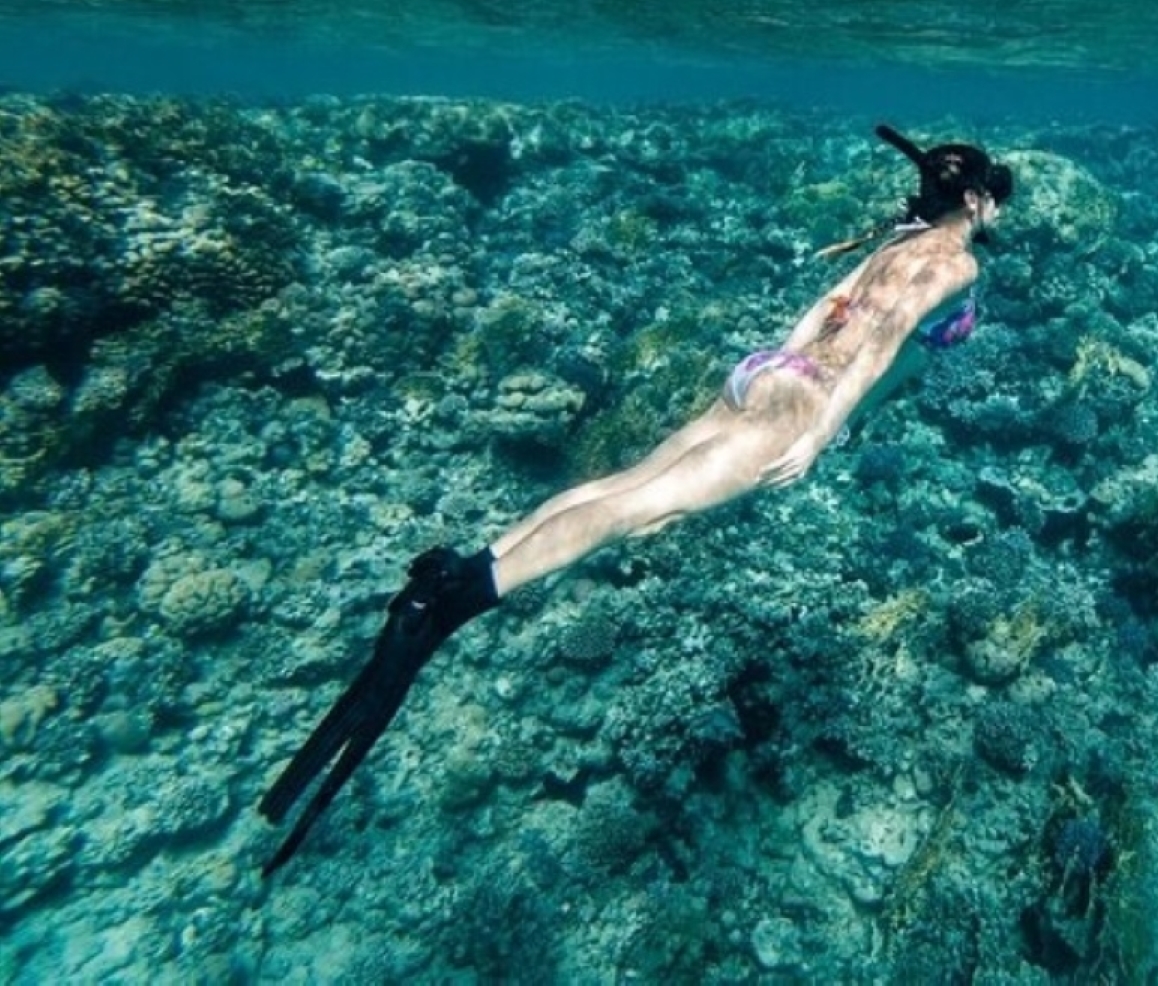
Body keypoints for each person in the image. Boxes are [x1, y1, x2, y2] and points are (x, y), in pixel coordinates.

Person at [258, 123, 1015, 876]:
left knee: (625, 486)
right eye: (997, 201)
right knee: (644, 510)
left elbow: (829, 308)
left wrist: (785, 366)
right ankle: (452, 602)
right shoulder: (949, 260)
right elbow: (879, 335)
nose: (1000, 215)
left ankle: (465, 571)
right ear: (975, 199)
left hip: (770, 372)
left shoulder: (893, 243)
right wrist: (821, 427)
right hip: (803, 402)